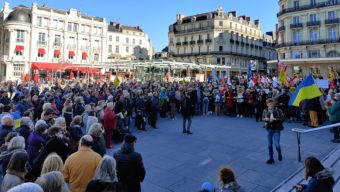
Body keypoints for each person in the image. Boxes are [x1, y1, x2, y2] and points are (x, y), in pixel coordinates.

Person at [262, 98, 284, 164]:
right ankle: (271, 158)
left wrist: (275, 119)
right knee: (269, 145)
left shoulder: (278, 110)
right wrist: (265, 119)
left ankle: (279, 152)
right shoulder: (265, 110)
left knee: (277, 145)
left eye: (272, 104)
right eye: (269, 104)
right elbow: (262, 118)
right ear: (267, 104)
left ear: (274, 104)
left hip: (276, 129)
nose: (271, 105)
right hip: (268, 129)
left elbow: (282, 119)